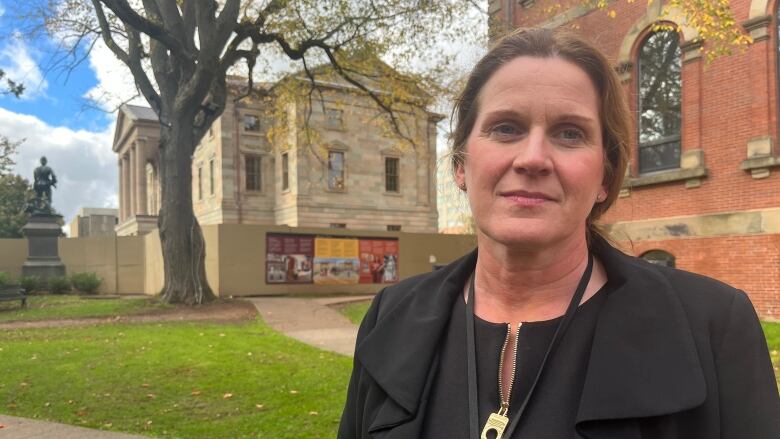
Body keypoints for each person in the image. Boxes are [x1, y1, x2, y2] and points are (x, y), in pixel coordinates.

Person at [339, 28, 779, 439]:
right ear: (460, 164)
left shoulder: (713, 326)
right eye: (505, 128)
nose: (533, 159)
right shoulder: (391, 316)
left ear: (605, 176)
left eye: (570, 134)